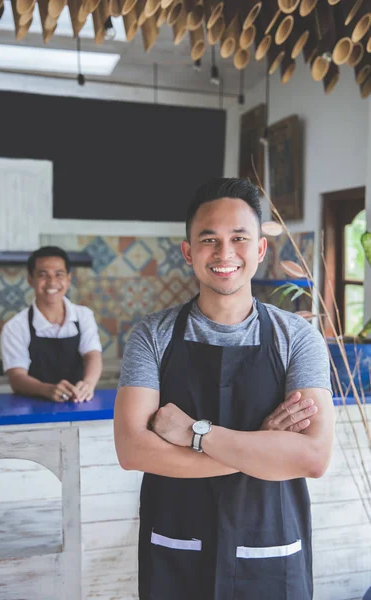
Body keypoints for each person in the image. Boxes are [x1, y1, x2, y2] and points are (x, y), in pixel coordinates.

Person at [114, 178, 335, 600]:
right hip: (176, 547)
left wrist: (196, 434)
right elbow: (132, 450)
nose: (225, 253)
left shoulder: (298, 338)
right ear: (188, 252)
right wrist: (264, 449)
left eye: (238, 238)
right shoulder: (152, 336)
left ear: (260, 249)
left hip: (271, 548)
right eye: (209, 239)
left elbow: (312, 457)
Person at [1, 246, 102, 402]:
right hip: (32, 409)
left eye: (59, 274)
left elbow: (93, 355)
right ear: (30, 279)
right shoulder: (15, 327)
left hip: (79, 403)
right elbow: (17, 377)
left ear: (68, 279)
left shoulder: (84, 315)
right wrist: (45, 389)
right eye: (43, 275)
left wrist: (88, 384)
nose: (52, 282)